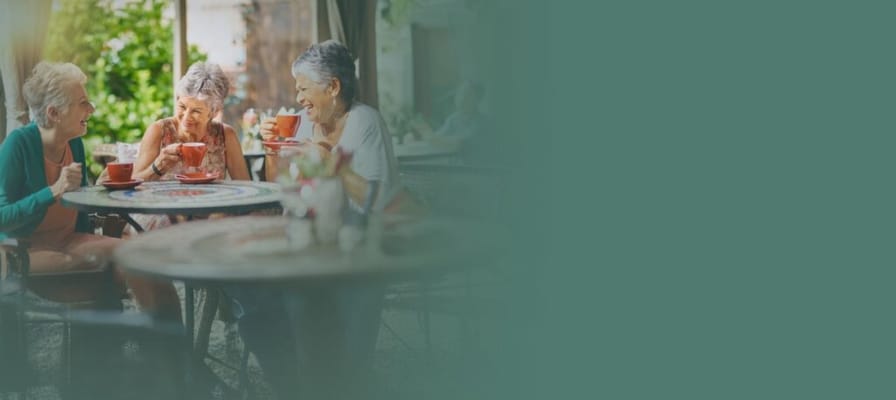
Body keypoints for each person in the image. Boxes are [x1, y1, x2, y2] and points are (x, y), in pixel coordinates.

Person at [233, 40, 402, 398]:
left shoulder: (364, 122)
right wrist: (272, 151)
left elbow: (380, 202)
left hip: (355, 246)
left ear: (333, 87)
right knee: (244, 284)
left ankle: (325, 379)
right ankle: (294, 380)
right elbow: (283, 188)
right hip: (307, 241)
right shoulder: (306, 127)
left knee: (300, 298)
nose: (299, 98)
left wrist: (332, 165)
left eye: (303, 89)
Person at [0, 61, 181, 321]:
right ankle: (123, 335)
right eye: (82, 103)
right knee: (112, 269)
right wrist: (52, 191)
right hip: (23, 252)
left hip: (70, 242)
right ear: (54, 113)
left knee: (144, 259)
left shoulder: (74, 144)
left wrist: (99, 190)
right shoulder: (17, 145)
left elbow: (78, 202)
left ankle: (172, 343)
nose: (92, 109)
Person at [128, 61, 250, 230]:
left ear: (213, 112)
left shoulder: (226, 135)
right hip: (159, 210)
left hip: (209, 212)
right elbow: (132, 186)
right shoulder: (159, 131)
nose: (186, 117)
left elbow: (245, 188)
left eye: (196, 111)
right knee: (169, 224)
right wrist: (158, 166)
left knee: (222, 220)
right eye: (182, 107)